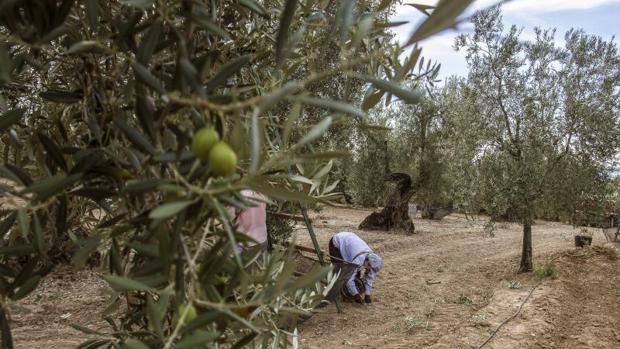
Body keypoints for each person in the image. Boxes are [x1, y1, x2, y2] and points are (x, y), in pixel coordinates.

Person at [328, 232, 382, 304]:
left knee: (354, 270)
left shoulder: (372, 259)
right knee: (341, 271)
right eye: (369, 268)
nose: (369, 270)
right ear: (368, 262)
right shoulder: (358, 260)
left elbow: (370, 276)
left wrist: (367, 294)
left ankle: (350, 290)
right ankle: (337, 292)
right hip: (337, 241)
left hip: (350, 240)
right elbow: (349, 278)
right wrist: (356, 295)